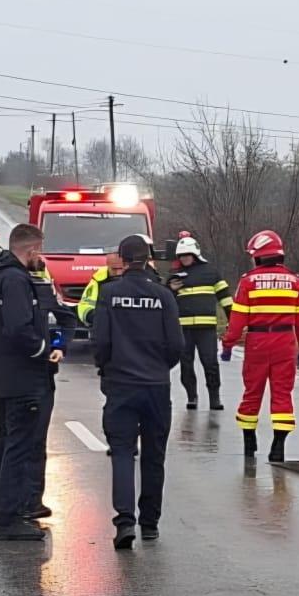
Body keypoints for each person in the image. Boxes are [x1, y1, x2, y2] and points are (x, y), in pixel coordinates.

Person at [93, 234, 183, 549]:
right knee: (154, 455)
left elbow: (100, 341)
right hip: (156, 386)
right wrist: (159, 368)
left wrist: (106, 367)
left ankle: (124, 521)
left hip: (121, 384)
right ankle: (150, 523)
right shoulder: (164, 296)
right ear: (148, 258)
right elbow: (176, 346)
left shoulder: (109, 293)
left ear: (121, 257)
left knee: (121, 452)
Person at [0, 223, 63, 541]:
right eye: (42, 249)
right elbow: (18, 329)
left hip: (9, 376)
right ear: (32, 249)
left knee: (8, 442)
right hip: (24, 378)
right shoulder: (14, 279)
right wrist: (43, 351)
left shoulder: (3, 276)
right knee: (18, 446)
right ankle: (8, 521)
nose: (43, 256)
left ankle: (0, 515)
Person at [222, 230, 299, 463]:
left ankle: (249, 442)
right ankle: (278, 446)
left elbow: (238, 319)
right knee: (282, 394)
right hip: (285, 343)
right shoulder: (296, 282)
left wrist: (228, 343)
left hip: (257, 343)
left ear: (258, 256)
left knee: (252, 393)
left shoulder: (248, 281)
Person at [24, 253, 78, 522]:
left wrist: (58, 347)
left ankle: (33, 501)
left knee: (35, 442)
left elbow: (67, 320)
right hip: (20, 376)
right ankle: (20, 503)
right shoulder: (13, 288)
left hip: (43, 373)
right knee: (21, 442)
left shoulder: (45, 291)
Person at [166, 236, 234, 411]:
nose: (184, 258)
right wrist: (170, 290)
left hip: (206, 328)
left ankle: (214, 398)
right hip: (184, 328)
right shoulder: (174, 276)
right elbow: (166, 302)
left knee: (210, 363)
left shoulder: (211, 272)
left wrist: (233, 320)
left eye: (187, 255)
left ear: (195, 254)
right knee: (186, 364)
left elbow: (225, 298)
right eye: (181, 256)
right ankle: (192, 397)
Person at [77, 252, 127, 325]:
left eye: (120, 268)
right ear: (107, 265)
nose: (117, 273)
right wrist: (97, 317)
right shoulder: (98, 279)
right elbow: (85, 306)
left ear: (127, 266)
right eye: (114, 269)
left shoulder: (135, 279)